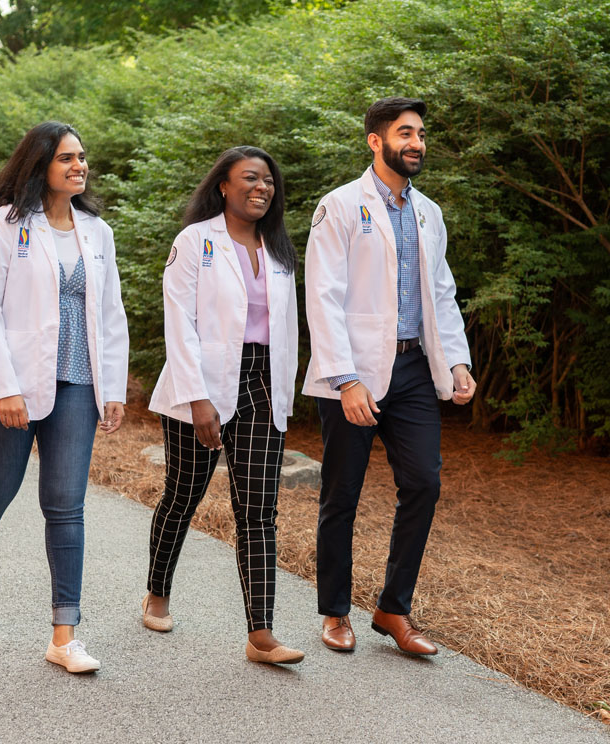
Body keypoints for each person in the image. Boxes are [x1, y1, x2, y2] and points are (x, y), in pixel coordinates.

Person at [0, 122, 129, 674]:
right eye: (67, 159)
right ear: (40, 166)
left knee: (66, 506)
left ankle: (64, 635)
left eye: (82, 158)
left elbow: (111, 313)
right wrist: (4, 387)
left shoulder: (96, 231)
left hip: (78, 382)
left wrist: (115, 389)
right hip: (15, 386)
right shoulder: (6, 225)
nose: (79, 166)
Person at [303, 96, 475, 656]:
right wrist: (346, 380)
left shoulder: (428, 212)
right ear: (376, 141)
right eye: (405, 133)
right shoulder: (339, 206)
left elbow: (441, 294)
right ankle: (334, 611)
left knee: (423, 482)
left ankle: (392, 609)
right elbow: (322, 299)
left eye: (421, 133)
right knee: (342, 493)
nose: (417, 143)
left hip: (413, 369)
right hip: (353, 370)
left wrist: (457, 361)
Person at [145, 146, 304, 665]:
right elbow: (179, 322)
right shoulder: (195, 241)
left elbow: (286, 329)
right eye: (250, 179)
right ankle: (157, 591)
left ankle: (262, 634)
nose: (262, 188)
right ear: (224, 186)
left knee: (258, 511)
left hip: (263, 382)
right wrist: (199, 399)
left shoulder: (278, 249)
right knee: (183, 495)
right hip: (205, 382)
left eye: (269, 181)